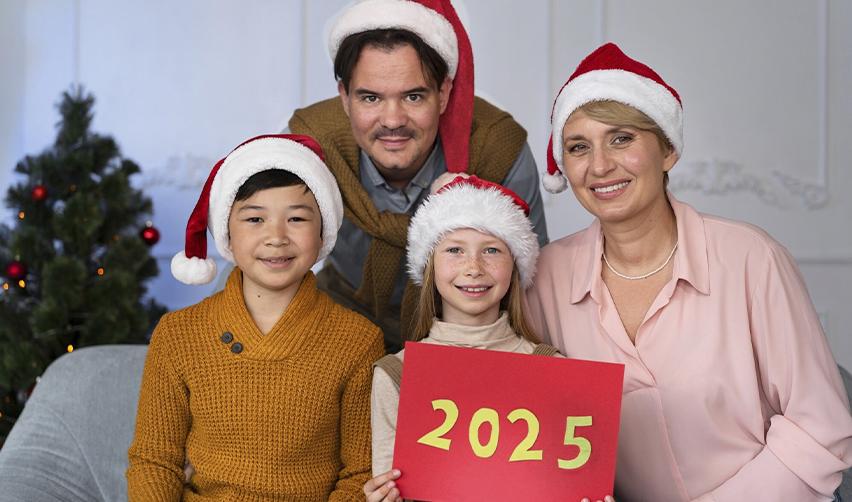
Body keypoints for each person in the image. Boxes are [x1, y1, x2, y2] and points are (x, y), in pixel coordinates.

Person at [526, 42, 852, 501]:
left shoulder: (750, 257)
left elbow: (821, 428)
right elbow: (529, 427)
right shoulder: (545, 278)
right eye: (579, 147)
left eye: (622, 138)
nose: (599, 166)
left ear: (668, 151)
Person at [126, 134, 384, 500]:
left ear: (323, 229)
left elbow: (361, 472)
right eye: (254, 219)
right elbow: (155, 461)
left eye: (296, 218)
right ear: (226, 230)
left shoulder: (358, 340)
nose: (276, 237)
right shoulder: (178, 334)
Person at [288, 0, 548, 353]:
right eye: (370, 98)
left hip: (469, 329)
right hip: (341, 310)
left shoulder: (496, 148)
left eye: (413, 96)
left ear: (443, 94)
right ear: (345, 98)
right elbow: (261, 255)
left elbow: (532, 287)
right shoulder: (310, 144)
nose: (393, 120)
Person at [361, 176, 613, 502]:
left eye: (492, 250)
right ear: (430, 267)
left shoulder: (554, 370)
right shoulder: (396, 375)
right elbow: (394, 484)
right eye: (454, 250)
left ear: (515, 267)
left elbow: (570, 484)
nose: (474, 268)